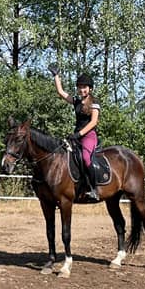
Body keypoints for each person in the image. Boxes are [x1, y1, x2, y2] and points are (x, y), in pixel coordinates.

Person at [49, 64, 100, 201]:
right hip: (76, 136)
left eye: (84, 87)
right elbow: (61, 92)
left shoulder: (94, 102)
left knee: (85, 158)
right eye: (80, 87)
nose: (82, 89)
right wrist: (56, 76)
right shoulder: (76, 101)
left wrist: (79, 134)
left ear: (90, 89)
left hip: (89, 136)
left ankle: (94, 189)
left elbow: (93, 122)